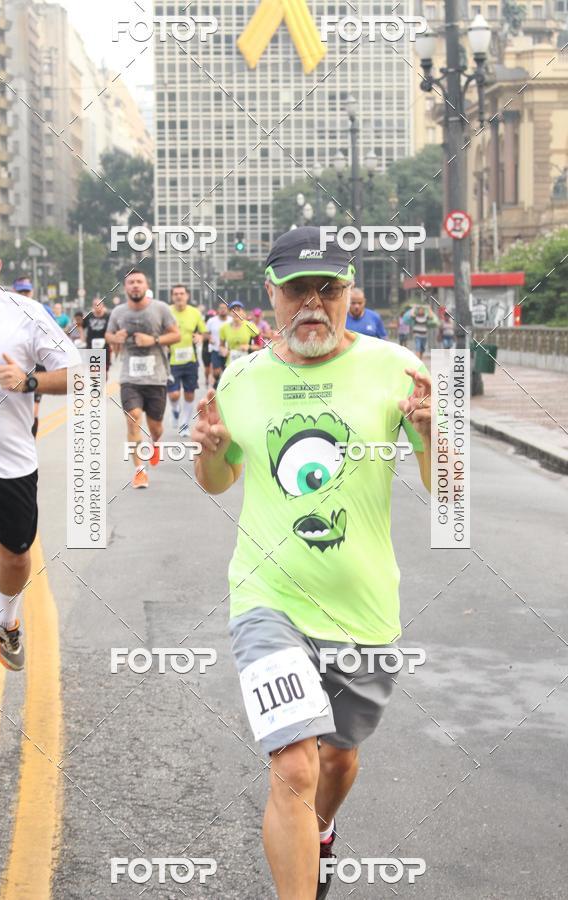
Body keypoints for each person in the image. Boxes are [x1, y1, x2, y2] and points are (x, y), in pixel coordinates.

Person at [191, 225, 432, 900]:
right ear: (271, 294)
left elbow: (452, 492)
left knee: (338, 760)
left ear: (351, 293)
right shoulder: (241, 378)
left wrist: (436, 436)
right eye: (297, 289)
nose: (313, 304)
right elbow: (218, 480)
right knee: (295, 766)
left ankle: (321, 831)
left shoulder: (398, 369)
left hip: (363, 609)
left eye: (329, 288)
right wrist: (208, 452)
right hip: (267, 599)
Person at [0, 227, 81, 720]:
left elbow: (82, 375)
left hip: (13, 464)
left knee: (15, 559)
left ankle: (6, 617)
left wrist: (29, 380)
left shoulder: (26, 314)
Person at [105, 270, 180, 489]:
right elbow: (108, 335)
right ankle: (139, 470)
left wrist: (153, 340)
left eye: (139, 281)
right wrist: (115, 337)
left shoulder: (160, 308)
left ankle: (155, 442)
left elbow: (176, 335)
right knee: (133, 418)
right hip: (130, 378)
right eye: (131, 282)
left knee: (156, 427)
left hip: (156, 378)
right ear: (125, 287)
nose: (135, 285)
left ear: (146, 286)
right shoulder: (118, 312)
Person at [167, 284, 207, 437]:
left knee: (189, 394)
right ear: (172, 297)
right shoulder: (167, 312)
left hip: (190, 361)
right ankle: (175, 409)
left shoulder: (195, 313)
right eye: (176, 294)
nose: (179, 296)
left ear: (187, 296)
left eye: (182, 293)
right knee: (174, 394)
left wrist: (200, 337)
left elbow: (204, 332)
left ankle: (184, 424)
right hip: (171, 360)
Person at [12, 277, 49, 437]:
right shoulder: (6, 312)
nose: (23, 295)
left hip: (37, 366)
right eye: (20, 292)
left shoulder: (42, 310)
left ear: (32, 292)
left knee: (33, 410)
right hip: (15, 365)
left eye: (26, 292)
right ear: (14, 292)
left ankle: (31, 444)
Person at [219, 301, 259, 365]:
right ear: (229, 313)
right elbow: (221, 346)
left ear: (243, 312)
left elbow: (260, 346)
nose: (236, 313)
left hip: (247, 364)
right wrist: (223, 350)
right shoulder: (224, 328)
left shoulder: (250, 326)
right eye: (233, 310)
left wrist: (249, 347)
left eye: (238, 310)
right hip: (231, 363)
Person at [206, 299, 231, 387]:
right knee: (216, 372)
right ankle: (216, 381)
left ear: (228, 310)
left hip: (228, 350)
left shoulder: (231, 321)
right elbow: (206, 333)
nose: (223, 310)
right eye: (221, 308)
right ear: (218, 310)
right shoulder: (211, 321)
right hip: (216, 349)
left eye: (224, 308)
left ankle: (225, 385)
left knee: (227, 370)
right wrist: (209, 338)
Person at [85, 298, 112, 372]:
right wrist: (82, 338)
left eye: (99, 304)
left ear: (103, 306)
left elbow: (113, 329)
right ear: (93, 306)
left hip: (104, 347)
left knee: (104, 371)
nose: (97, 306)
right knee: (93, 371)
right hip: (91, 347)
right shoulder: (89, 316)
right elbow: (80, 326)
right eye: (95, 305)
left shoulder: (108, 316)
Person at [201, 308, 216, 387]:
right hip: (206, 349)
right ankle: (207, 378)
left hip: (214, 349)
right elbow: (201, 338)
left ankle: (214, 381)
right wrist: (208, 337)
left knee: (215, 367)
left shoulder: (218, 326)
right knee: (207, 368)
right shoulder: (203, 327)